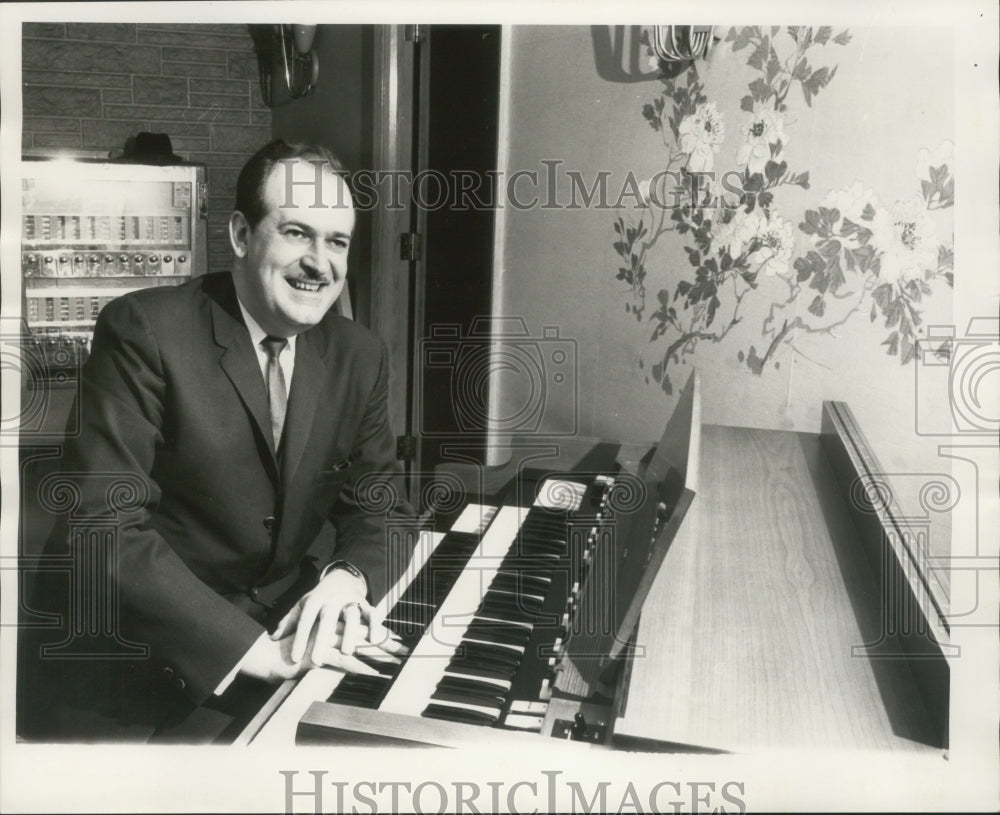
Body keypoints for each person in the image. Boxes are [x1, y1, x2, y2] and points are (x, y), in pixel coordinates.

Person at [20, 139, 411, 742]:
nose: (320, 263)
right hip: (133, 665)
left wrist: (344, 582)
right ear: (238, 235)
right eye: (296, 233)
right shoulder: (143, 329)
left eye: (337, 242)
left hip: (281, 625)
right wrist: (254, 651)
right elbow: (103, 524)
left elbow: (380, 504)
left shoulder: (359, 355)